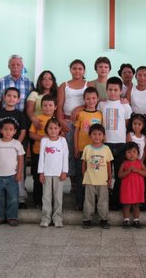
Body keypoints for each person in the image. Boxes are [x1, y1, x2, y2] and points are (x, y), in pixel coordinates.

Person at [0, 54, 34, 207]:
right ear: (8, 66)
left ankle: (20, 194)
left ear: (22, 66)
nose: (16, 66)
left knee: (19, 160)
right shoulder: (2, 81)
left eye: (18, 64)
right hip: (4, 125)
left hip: (22, 124)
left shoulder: (29, 83)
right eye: (13, 64)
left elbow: (32, 104)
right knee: (3, 159)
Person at [57, 59, 93, 195]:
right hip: (68, 123)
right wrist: (61, 121)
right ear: (70, 70)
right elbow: (60, 105)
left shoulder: (88, 84)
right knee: (71, 153)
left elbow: (92, 100)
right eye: (74, 68)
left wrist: (79, 108)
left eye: (80, 68)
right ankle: (73, 184)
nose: (77, 71)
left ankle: (84, 182)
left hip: (85, 122)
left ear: (84, 71)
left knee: (84, 152)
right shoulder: (64, 85)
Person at [98, 77, 132, 210]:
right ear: (106, 90)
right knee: (104, 175)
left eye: (115, 90)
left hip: (120, 144)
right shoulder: (101, 105)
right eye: (110, 90)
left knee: (119, 174)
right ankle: (103, 201)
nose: (113, 92)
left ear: (120, 91)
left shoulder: (125, 105)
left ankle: (116, 201)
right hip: (105, 144)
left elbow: (127, 124)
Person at [0, 87, 27, 208]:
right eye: (9, 95)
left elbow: (22, 131)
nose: (11, 98)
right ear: (4, 97)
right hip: (1, 149)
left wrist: (16, 145)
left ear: (18, 100)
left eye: (14, 96)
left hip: (14, 149)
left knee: (17, 171)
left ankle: (20, 198)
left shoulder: (20, 114)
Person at [0, 118, 25, 227]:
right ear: (1, 130)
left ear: (14, 131)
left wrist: (19, 173)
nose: (8, 131)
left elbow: (21, 159)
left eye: (11, 129)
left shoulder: (17, 143)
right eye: (5, 129)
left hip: (12, 176)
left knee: (13, 197)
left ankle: (12, 217)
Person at [73, 87, 102, 211]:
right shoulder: (81, 114)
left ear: (98, 99)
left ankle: (94, 202)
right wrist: (75, 147)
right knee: (81, 176)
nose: (91, 101)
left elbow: (102, 132)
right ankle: (80, 202)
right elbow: (76, 132)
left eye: (94, 98)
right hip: (81, 149)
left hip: (95, 151)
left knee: (94, 176)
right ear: (84, 99)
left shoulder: (100, 114)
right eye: (88, 98)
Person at [38, 118, 69, 228]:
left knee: (58, 197)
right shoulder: (44, 141)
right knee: (46, 196)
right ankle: (46, 218)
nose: (53, 130)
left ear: (60, 129)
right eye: (50, 128)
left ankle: (57, 218)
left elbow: (66, 156)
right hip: (46, 172)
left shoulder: (62, 141)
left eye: (55, 128)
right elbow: (41, 157)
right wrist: (41, 172)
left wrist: (64, 171)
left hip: (58, 173)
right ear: (47, 129)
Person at [81, 124, 113, 229]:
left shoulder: (106, 148)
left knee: (103, 201)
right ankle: (87, 220)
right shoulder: (87, 148)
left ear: (103, 136)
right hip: (90, 180)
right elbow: (84, 164)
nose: (97, 136)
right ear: (90, 135)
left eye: (99, 134)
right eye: (94, 134)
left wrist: (110, 178)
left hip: (103, 181)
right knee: (88, 201)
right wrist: (84, 176)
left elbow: (109, 164)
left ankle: (103, 220)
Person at [29, 95, 57, 208]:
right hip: (38, 152)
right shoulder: (37, 118)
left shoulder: (56, 121)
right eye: (45, 105)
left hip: (52, 155)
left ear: (55, 107)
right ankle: (37, 201)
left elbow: (61, 135)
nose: (48, 108)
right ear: (41, 107)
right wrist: (44, 139)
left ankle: (50, 201)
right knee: (38, 177)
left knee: (50, 177)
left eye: (50, 105)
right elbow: (31, 134)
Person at [118, 142, 146, 229]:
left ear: (138, 153)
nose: (132, 154)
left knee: (136, 205)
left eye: (134, 152)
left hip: (137, 188)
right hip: (127, 188)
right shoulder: (124, 163)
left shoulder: (140, 163)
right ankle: (126, 220)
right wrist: (127, 171)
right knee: (126, 205)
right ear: (125, 154)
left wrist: (137, 170)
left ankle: (136, 220)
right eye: (129, 152)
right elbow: (120, 175)